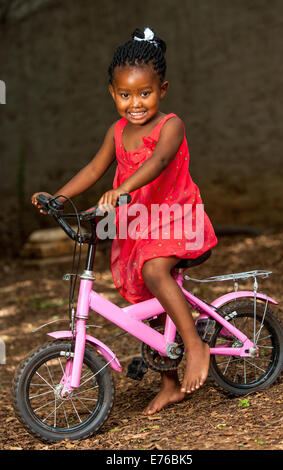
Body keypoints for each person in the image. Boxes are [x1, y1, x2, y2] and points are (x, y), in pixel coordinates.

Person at [32, 27, 218, 415]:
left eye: (145, 93)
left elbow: (158, 162)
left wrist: (123, 189)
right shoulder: (116, 132)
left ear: (162, 89)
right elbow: (95, 168)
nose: (135, 103)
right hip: (138, 224)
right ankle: (169, 383)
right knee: (146, 304)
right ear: (112, 94)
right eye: (125, 94)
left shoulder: (171, 126)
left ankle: (196, 345)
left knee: (154, 271)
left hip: (174, 218)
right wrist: (59, 197)